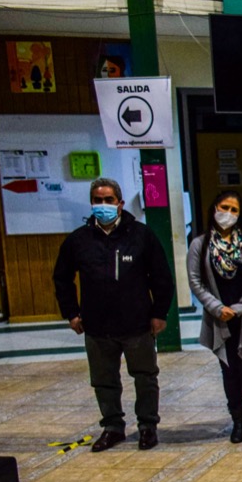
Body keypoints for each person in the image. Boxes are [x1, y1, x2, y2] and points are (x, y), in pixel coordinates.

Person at [53, 178, 174, 451]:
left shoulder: (141, 235)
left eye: (109, 200)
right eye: (98, 200)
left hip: (137, 323)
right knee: (104, 381)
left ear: (119, 203)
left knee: (145, 377)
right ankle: (112, 427)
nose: (103, 205)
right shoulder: (79, 240)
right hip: (96, 326)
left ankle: (147, 426)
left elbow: (161, 277)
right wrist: (71, 312)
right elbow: (62, 278)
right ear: (91, 204)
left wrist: (159, 313)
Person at [187, 191, 242, 443]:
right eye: (225, 207)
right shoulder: (199, 245)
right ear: (215, 208)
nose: (229, 214)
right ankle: (238, 422)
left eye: (234, 210)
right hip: (219, 319)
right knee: (229, 371)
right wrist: (216, 307)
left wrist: (240, 307)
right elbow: (195, 281)